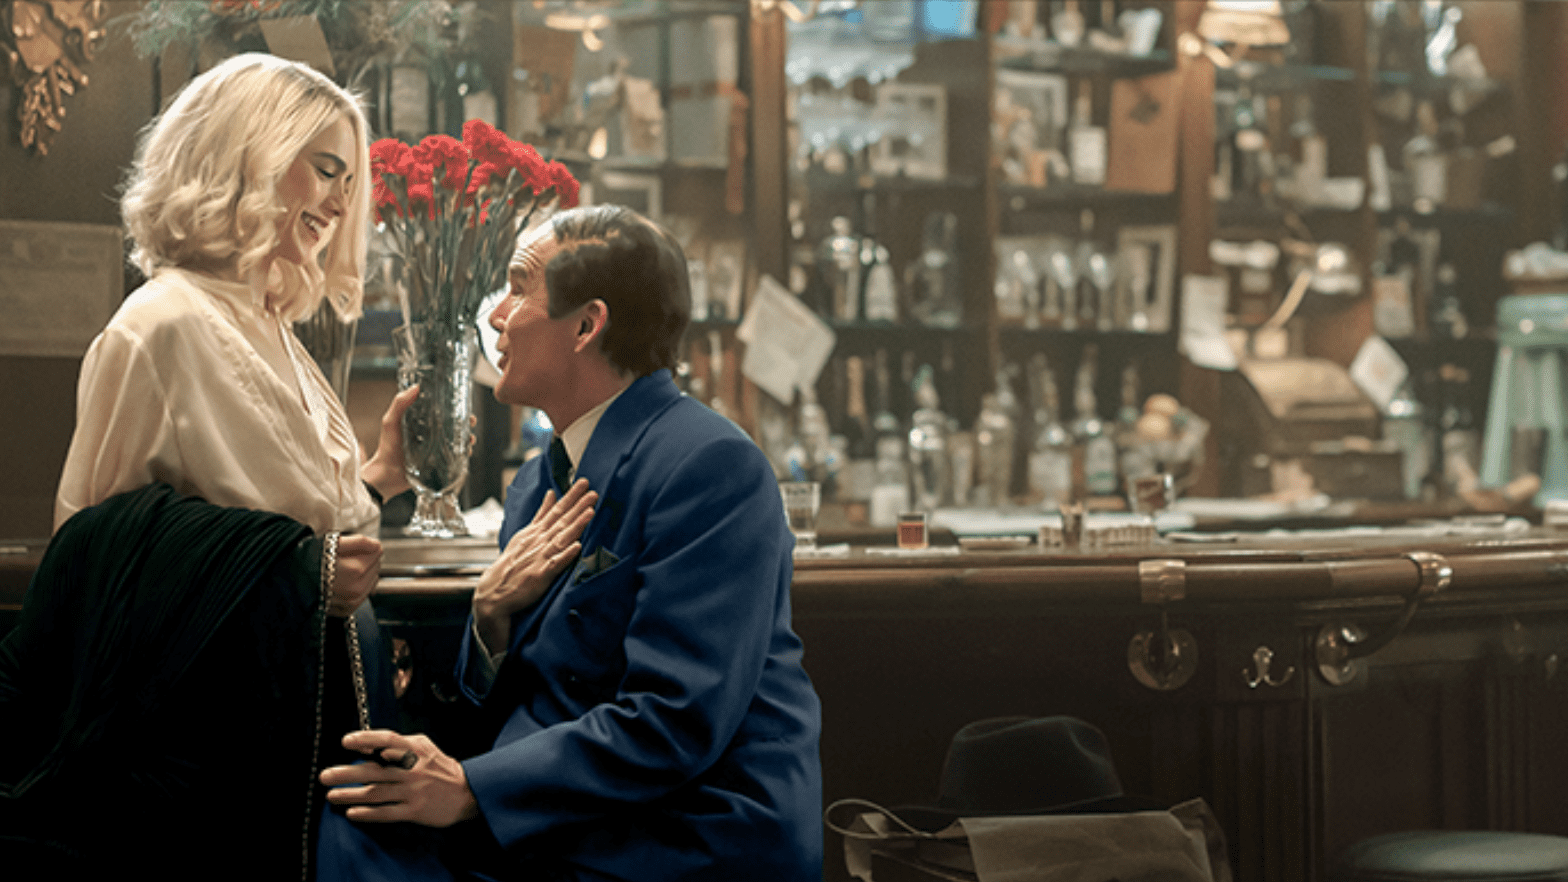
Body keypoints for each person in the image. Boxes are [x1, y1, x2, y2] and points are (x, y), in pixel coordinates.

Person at [317, 205, 825, 882]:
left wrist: (472, 789)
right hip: (564, 813)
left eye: (517, 288)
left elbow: (674, 721)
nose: (495, 317)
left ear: (587, 325)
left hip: (685, 830)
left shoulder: (710, 463)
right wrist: (489, 623)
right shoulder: (535, 481)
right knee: (334, 819)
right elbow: (521, 703)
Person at [0, 53, 411, 878]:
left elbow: (295, 516)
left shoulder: (275, 329)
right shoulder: (159, 326)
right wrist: (299, 570)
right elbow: (99, 561)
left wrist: (375, 484)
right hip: (209, 750)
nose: (339, 200)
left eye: (348, 180)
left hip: (302, 719)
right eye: (324, 169)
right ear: (246, 157)